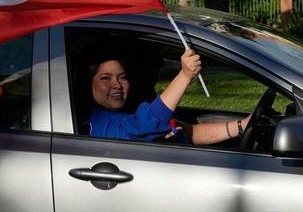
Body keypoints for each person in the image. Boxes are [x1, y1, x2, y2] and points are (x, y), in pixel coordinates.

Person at [86, 49, 249, 144]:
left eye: (122, 77)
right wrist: (185, 76)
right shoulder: (98, 124)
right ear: (88, 84)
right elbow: (143, 124)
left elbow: (192, 132)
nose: (117, 85)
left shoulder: (127, 115)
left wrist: (242, 125)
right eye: (105, 78)